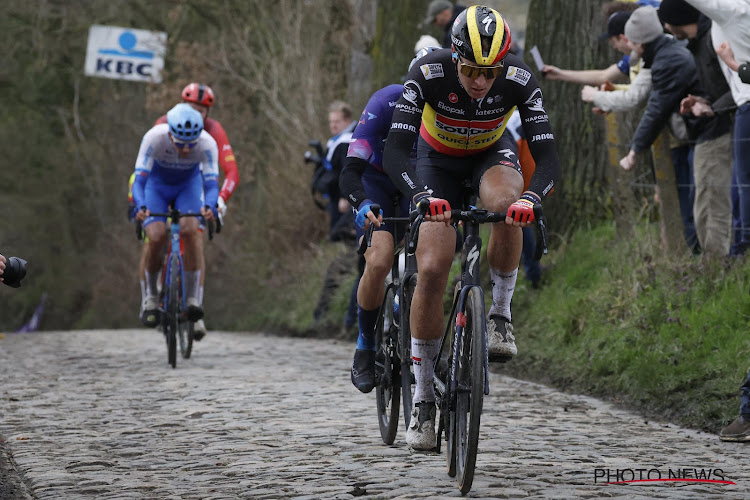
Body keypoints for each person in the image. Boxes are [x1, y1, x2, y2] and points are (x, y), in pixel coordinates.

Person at [383, 5, 560, 449]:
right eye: (469, 69)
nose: (479, 81)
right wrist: (422, 197)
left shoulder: (519, 79)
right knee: (432, 267)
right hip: (434, 161)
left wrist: (532, 199)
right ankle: (423, 398)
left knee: (507, 204)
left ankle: (499, 315)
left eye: (489, 72)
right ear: (453, 55)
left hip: (489, 154)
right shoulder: (427, 73)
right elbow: (396, 152)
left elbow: (548, 158)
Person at [342, 47, 440, 394]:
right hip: (379, 183)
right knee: (381, 258)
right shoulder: (385, 103)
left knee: (433, 260)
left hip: (421, 185)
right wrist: (361, 201)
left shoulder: (448, 112)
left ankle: (412, 314)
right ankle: (366, 343)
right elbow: (351, 169)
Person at [130, 83, 239, 340]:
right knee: (155, 235)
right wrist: (139, 206)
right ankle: (150, 298)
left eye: (191, 144)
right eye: (180, 144)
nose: (186, 150)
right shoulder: (155, 134)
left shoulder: (208, 141)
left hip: (189, 185)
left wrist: (213, 206)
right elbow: (139, 179)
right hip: (157, 185)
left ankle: (192, 300)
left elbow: (213, 182)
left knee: (192, 231)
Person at [658, 0, 734, 257]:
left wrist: (712, 108)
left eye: (667, 23)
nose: (666, 29)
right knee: (707, 201)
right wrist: (703, 102)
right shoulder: (697, 43)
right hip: (718, 123)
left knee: (712, 202)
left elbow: (738, 86)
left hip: (722, 130)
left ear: (677, 20)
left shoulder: (715, 38)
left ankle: (717, 264)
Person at [683, 0, 750, 256]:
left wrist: (735, 66)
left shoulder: (731, 12)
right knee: (738, 184)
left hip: (747, 103)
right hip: (740, 105)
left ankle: (744, 247)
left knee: (744, 183)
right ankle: (740, 247)